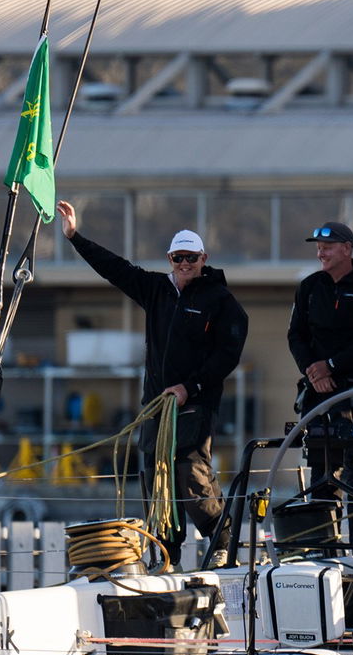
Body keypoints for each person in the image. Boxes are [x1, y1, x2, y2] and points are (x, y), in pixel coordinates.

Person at [54, 200, 248, 568]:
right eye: (178, 258)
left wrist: (191, 387)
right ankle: (167, 553)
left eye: (191, 258)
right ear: (170, 259)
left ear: (204, 259)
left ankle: (222, 541)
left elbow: (228, 354)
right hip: (156, 403)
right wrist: (75, 236)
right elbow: (115, 268)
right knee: (155, 477)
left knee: (189, 471)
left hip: (195, 402)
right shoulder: (156, 289)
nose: (185, 264)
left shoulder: (220, 301)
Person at [288, 220, 353, 547]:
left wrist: (331, 366)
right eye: (319, 248)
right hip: (318, 394)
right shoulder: (308, 287)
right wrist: (313, 372)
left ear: (347, 249)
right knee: (322, 471)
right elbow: (296, 336)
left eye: (328, 247)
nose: (321, 253)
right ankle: (323, 548)